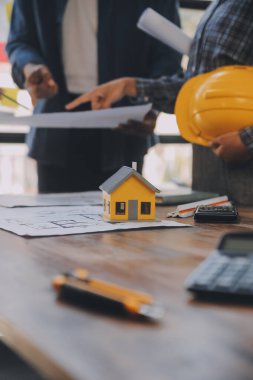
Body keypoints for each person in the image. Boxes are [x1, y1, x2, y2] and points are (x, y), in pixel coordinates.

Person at [67, 0, 253, 205]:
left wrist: (248, 140)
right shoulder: (220, 6)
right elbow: (197, 92)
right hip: (212, 170)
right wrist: (129, 86)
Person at [6, 0, 181, 193]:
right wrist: (31, 68)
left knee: (124, 216)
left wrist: (153, 108)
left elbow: (168, 57)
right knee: (53, 218)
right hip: (55, 124)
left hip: (127, 124)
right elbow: (19, 41)